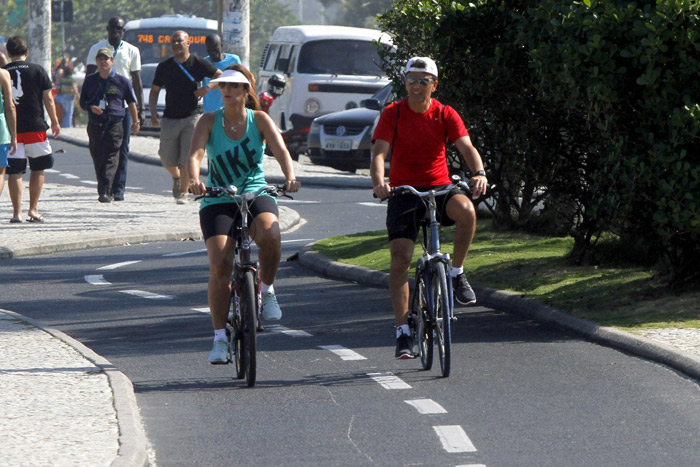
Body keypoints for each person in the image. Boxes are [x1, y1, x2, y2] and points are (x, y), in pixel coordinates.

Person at [370, 57, 489, 359]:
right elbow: (379, 154)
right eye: (411, 79)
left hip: (439, 189)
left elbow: (466, 147)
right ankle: (403, 331)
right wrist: (380, 182)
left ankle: (457, 273)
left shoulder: (445, 114)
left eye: (424, 80)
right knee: (400, 261)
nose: (416, 85)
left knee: (467, 211)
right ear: (404, 83)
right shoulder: (393, 114)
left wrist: (479, 173)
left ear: (434, 86)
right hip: (404, 192)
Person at [185, 65, 300, 364]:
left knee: (271, 234)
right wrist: (195, 179)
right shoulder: (209, 121)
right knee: (221, 264)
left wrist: (290, 176)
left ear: (246, 90)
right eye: (223, 85)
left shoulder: (258, 120)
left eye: (234, 86)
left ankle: (268, 288)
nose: (227, 90)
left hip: (255, 192)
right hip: (219, 197)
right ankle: (219, 339)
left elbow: (281, 150)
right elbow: (196, 154)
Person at [150, 30, 221, 205]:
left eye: (179, 41)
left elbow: (221, 76)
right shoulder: (164, 66)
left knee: (186, 160)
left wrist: (207, 88)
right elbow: (155, 90)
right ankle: (176, 177)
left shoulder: (198, 63)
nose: (175, 44)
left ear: (188, 43)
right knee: (166, 158)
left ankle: (183, 193)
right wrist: (152, 112)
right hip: (170, 118)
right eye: (172, 41)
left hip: (192, 117)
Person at [86, 16, 144, 201]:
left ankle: (118, 189)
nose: (115, 32)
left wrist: (140, 110)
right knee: (99, 148)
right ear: (107, 29)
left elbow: (137, 82)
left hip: (123, 106)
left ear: (123, 31)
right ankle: (105, 185)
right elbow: (89, 78)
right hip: (100, 108)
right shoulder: (97, 49)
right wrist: (89, 104)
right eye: (112, 28)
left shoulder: (132, 51)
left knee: (122, 148)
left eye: (119, 29)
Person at [3, 36, 61, 223]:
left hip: (12, 130)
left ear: (9, 53)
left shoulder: (3, 72)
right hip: (36, 128)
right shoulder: (38, 70)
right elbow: (48, 99)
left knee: (15, 172)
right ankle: (33, 209)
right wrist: (54, 121)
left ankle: (16, 213)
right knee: (38, 169)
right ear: (27, 52)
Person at [202, 34, 241, 113]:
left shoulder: (234, 60)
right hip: (210, 112)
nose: (213, 53)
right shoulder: (204, 63)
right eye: (210, 51)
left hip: (230, 110)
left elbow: (240, 82)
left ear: (221, 45)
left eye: (215, 49)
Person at [0, 66, 17, 198]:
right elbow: (10, 106)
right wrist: (14, 136)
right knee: (0, 172)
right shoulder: (3, 74)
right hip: (1, 131)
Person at [54, 61, 79, 128]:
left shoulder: (62, 79)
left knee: (64, 112)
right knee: (69, 113)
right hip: (69, 97)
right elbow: (74, 88)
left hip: (62, 97)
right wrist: (78, 95)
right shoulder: (71, 79)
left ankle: (63, 125)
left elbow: (58, 85)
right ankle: (67, 126)